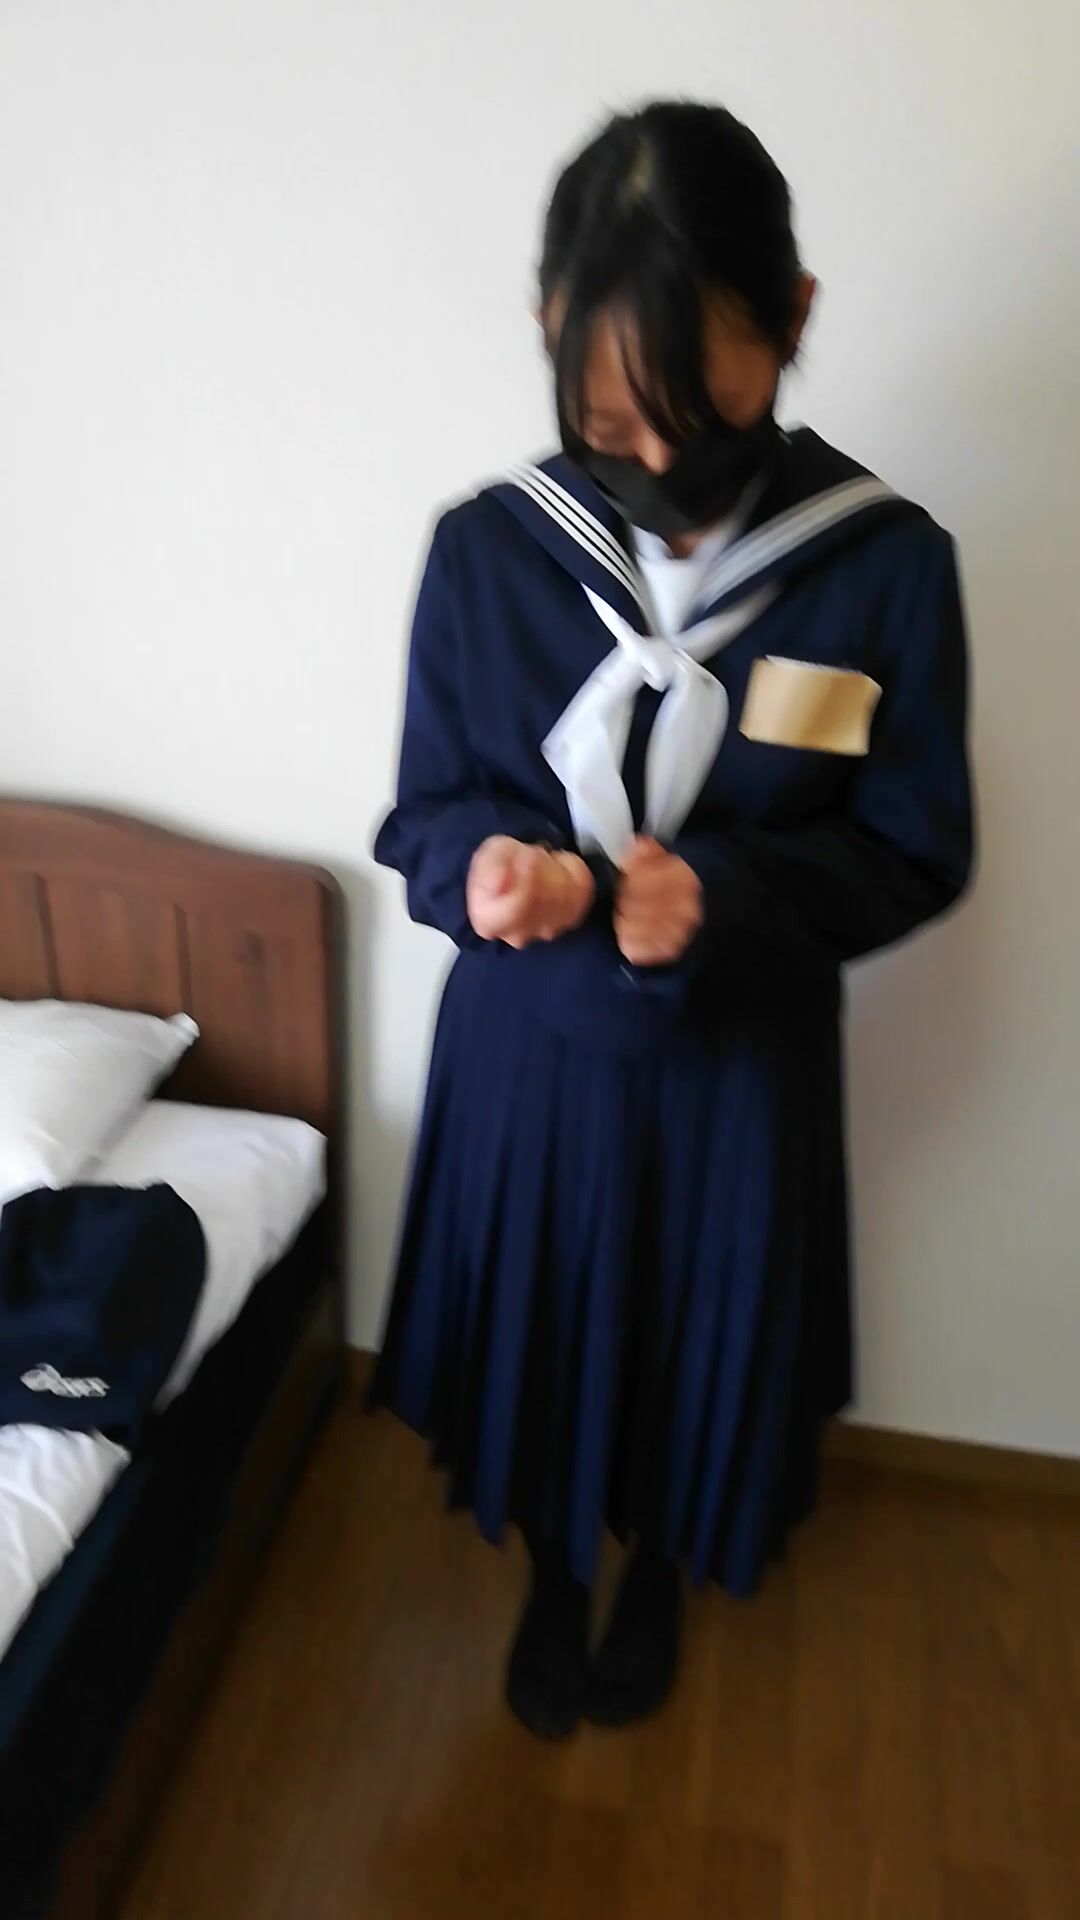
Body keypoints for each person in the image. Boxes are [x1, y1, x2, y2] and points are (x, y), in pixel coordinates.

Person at [371, 100, 973, 1741]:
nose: (648, 458)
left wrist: (735, 894)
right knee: (547, 1330)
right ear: (547, 331)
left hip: (741, 1067)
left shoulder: (883, 571)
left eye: (698, 408)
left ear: (794, 319)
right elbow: (424, 813)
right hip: (531, 1061)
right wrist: (487, 871)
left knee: (691, 1346)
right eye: (605, 417)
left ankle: (654, 1569)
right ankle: (555, 1566)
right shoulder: (486, 555)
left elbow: (916, 847)